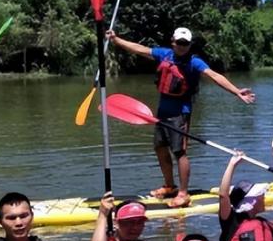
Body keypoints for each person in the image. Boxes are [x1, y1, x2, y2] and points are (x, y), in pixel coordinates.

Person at [106, 26, 256, 208]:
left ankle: (183, 194)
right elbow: (140, 49)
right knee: (160, 147)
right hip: (162, 113)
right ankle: (169, 186)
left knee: (180, 153)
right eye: (179, 43)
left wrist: (236, 91)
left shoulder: (195, 63)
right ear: (173, 42)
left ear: (190, 44)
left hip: (180, 114)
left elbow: (213, 75)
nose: (182, 46)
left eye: (185, 43)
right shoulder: (165, 54)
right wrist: (116, 40)